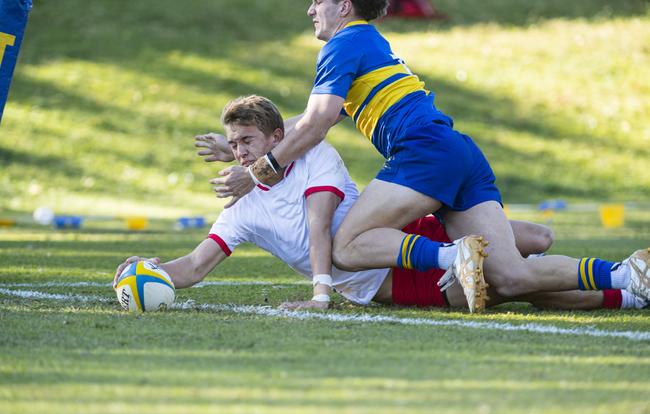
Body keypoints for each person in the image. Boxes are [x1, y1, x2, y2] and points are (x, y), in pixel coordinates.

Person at [209, 0, 650, 312]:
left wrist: (261, 170)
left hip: (425, 153)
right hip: (458, 152)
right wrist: (251, 142)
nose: (310, 9)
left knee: (348, 246)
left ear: (344, 5)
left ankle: (452, 254)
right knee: (511, 276)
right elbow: (310, 122)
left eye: (318, 0)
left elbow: (317, 122)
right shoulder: (368, 42)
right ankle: (628, 277)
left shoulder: (340, 44)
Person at [113, 96, 646, 312]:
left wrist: (320, 295)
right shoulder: (240, 212)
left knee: (532, 246)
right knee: (504, 284)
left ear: (279, 136)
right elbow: (196, 266)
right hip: (390, 278)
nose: (239, 153)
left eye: (249, 141)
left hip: (407, 234)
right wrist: (150, 269)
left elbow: (322, 231)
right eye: (233, 146)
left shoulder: (314, 157)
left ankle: (624, 282)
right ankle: (627, 288)